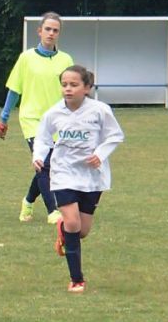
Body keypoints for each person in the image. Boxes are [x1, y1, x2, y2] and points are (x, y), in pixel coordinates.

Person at [33, 65, 124, 293]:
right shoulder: (53, 113)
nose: (68, 89)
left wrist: (100, 154)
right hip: (63, 173)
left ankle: (63, 228)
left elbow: (115, 135)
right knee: (73, 223)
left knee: (81, 231)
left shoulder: (100, 110)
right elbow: (43, 138)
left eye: (74, 85)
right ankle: (76, 279)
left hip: (92, 176)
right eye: (64, 85)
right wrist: (38, 156)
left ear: (87, 87)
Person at [0, 12, 74, 224]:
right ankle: (53, 211)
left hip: (58, 121)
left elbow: (72, 90)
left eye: (55, 30)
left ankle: (28, 201)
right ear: (39, 31)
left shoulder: (66, 60)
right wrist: (4, 118)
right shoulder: (26, 58)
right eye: (47, 29)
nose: (51, 33)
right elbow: (15, 89)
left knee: (52, 165)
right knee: (44, 164)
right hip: (32, 120)